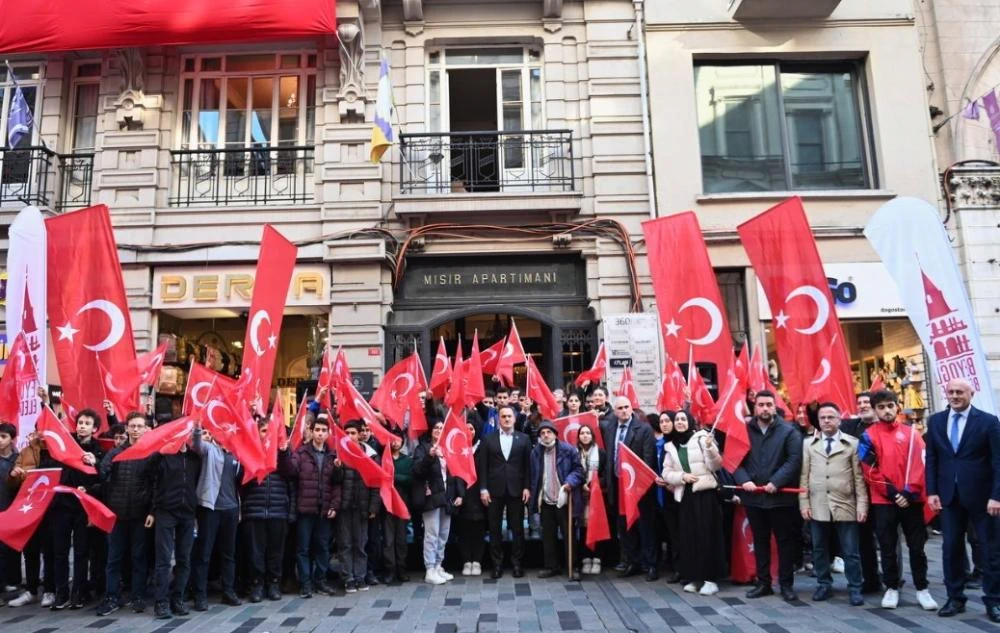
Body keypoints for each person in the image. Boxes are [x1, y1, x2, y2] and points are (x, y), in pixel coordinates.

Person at [926, 378, 1000, 621]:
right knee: (951, 549)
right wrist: (932, 491)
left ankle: (994, 601)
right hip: (949, 497)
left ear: (972, 393)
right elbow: (933, 460)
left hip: (983, 498)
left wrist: (996, 496)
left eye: (960, 392)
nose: (955, 395)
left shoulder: (988, 422)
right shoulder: (935, 421)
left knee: (990, 550)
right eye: (951, 392)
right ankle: (955, 597)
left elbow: (998, 462)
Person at [858, 389, 938, 611]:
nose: (886, 410)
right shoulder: (868, 436)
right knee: (887, 547)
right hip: (884, 502)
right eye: (881, 407)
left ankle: (922, 588)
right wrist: (894, 494)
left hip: (912, 501)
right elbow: (869, 469)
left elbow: (921, 465)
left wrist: (909, 493)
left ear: (897, 407)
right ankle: (891, 587)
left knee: (917, 547)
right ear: (875, 410)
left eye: (890, 406)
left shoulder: (912, 433)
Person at [733, 390, 803, 601]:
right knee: (760, 541)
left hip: (781, 498)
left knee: (785, 542)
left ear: (774, 406)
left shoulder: (789, 431)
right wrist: (743, 480)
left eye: (769, 405)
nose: (765, 408)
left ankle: (786, 584)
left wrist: (776, 482)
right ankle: (764, 583)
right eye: (761, 404)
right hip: (754, 498)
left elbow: (794, 460)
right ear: (755, 407)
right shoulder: (743, 430)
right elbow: (735, 458)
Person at [799, 402, 868, 606]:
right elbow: (804, 476)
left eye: (831, 417)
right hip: (817, 503)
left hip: (845, 504)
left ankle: (855, 587)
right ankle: (823, 584)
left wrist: (862, 505)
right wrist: (804, 503)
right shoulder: (808, 444)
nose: (827, 421)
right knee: (819, 548)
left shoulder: (852, 444)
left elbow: (859, 478)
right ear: (818, 421)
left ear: (839, 419)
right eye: (823, 418)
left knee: (851, 551)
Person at [658, 411, 725, 596]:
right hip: (685, 495)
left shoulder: (702, 437)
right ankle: (695, 578)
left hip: (705, 495)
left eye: (683, 419)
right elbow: (666, 473)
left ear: (690, 421)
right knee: (689, 538)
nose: (679, 422)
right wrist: (682, 477)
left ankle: (710, 579)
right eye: (677, 419)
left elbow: (716, 466)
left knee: (706, 537)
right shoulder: (670, 446)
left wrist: (711, 449)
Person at [47, 408, 104, 610]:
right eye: (80, 422)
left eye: (87, 423)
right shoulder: (66, 444)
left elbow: (102, 480)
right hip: (61, 506)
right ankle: (61, 593)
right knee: (60, 552)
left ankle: (79, 592)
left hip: (83, 507)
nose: (82, 426)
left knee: (81, 552)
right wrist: (46, 404)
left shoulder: (98, 451)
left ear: (95, 429)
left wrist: (94, 465)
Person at [96, 412, 153, 616]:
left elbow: (155, 484)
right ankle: (112, 596)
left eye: (139, 426)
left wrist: (151, 511)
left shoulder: (149, 454)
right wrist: (95, 462)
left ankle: (138, 596)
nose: (136, 429)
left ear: (146, 429)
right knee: (114, 558)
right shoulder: (115, 453)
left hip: (139, 514)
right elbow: (102, 474)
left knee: (139, 558)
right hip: (117, 515)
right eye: (132, 426)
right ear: (127, 428)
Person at [601, 396, 658, 581]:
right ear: (615, 411)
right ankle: (630, 561)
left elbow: (648, 460)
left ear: (631, 408)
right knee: (624, 526)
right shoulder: (610, 428)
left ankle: (651, 565)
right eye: (620, 408)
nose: (624, 410)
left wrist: (642, 485)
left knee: (645, 527)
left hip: (638, 487)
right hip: (617, 485)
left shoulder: (644, 429)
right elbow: (610, 456)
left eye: (627, 407)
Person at [148, 426, 202, 619]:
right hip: (166, 512)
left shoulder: (195, 458)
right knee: (163, 559)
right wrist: (158, 454)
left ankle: (177, 598)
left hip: (188, 513)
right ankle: (161, 602)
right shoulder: (163, 456)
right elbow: (150, 474)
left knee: (184, 559)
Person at [289, 416, 343, 598]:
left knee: (322, 548)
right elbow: (290, 471)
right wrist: (284, 453)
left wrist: (334, 505)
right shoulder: (301, 453)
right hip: (306, 509)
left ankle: (320, 580)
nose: (320, 434)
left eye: (323, 431)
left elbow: (337, 484)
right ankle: (305, 583)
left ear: (328, 434)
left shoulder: (332, 456)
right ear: (311, 432)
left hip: (324, 509)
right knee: (303, 548)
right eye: (317, 430)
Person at [241, 417, 293, 602]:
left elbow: (291, 473)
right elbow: (241, 479)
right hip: (255, 510)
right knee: (256, 552)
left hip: (277, 510)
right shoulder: (249, 452)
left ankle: (274, 584)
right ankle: (257, 585)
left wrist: (284, 453)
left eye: (269, 431)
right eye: (263, 431)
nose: (266, 435)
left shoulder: (281, 453)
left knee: (275, 551)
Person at [477, 405, 532, 578]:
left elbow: (527, 467)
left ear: (515, 419)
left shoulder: (524, 439)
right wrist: (483, 489)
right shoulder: (488, 439)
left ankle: (517, 564)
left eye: (509, 416)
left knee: (517, 529)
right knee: (494, 529)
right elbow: (483, 467)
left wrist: (527, 487)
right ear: (498, 419)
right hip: (494, 490)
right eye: (503, 416)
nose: (507, 419)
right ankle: (497, 565)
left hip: (516, 490)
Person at [191, 428, 242, 610]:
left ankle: (228, 591)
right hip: (210, 508)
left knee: (229, 554)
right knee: (204, 553)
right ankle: (200, 595)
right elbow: (196, 444)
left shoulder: (237, 453)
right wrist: (197, 426)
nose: (226, 433)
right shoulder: (209, 449)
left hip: (231, 509)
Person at [528, 421, 585, 580]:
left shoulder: (568, 450)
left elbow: (579, 471)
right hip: (545, 499)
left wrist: (569, 482)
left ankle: (573, 566)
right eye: (542, 433)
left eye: (548, 432)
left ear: (555, 433)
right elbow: (533, 475)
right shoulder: (536, 453)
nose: (546, 435)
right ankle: (551, 566)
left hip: (564, 499)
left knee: (569, 535)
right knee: (548, 536)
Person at [839, 391, 883, 594]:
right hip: (859, 493)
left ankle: (894, 578)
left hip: (884, 492)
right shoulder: (850, 427)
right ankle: (871, 579)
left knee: (887, 538)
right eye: (860, 402)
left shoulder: (884, 426)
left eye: (867, 402)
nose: (863, 405)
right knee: (864, 539)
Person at [412, 420, 464, 585]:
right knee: (431, 535)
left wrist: (458, 494)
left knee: (443, 535)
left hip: (446, 498)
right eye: (436, 428)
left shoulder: (448, 449)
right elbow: (417, 470)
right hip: (431, 498)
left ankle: (438, 565)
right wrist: (430, 456)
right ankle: (429, 568)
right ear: (431, 430)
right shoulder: (423, 448)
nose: (439, 430)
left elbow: (455, 473)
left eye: (442, 428)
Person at [335, 420, 382, 593]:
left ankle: (360, 577)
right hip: (345, 507)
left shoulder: (370, 455)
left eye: (353, 433)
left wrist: (373, 507)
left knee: (361, 544)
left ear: (359, 434)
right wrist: (337, 468)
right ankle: (348, 578)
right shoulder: (338, 454)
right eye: (346, 433)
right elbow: (334, 481)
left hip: (363, 507)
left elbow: (375, 483)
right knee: (345, 544)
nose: (350, 436)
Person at [382, 429, 413, 584]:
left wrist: (394, 476)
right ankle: (390, 570)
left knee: (401, 539)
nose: (395, 442)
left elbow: (410, 480)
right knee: (388, 540)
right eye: (392, 439)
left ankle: (402, 569)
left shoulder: (407, 460)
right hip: (387, 504)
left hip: (402, 503)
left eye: (398, 440)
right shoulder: (384, 459)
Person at [654, 412, 681, 582]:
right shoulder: (660, 444)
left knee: (681, 533)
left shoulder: (679, 443)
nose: (664, 424)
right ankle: (676, 568)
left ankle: (683, 568)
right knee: (673, 534)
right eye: (661, 421)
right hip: (664, 495)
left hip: (679, 493)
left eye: (667, 421)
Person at [459, 420, 487, 576]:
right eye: (465, 428)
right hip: (463, 494)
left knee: (478, 529)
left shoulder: (482, 447)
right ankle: (466, 561)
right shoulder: (456, 449)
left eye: (471, 428)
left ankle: (477, 561)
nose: (469, 431)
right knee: (464, 530)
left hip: (479, 494)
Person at [577, 423, 606, 575]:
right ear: (578, 437)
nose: (585, 435)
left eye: (588, 433)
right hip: (580, 496)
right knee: (583, 528)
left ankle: (597, 559)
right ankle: (585, 559)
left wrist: (594, 484)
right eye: (582, 433)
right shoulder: (575, 453)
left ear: (592, 436)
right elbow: (572, 471)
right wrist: (581, 484)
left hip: (597, 496)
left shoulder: (601, 453)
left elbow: (605, 475)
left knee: (597, 527)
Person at [0, 422, 19, 603]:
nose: (0, 440)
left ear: (12, 440)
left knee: (10, 548)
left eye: (3, 436)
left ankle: (12, 580)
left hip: (12, 509)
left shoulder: (18, 459)